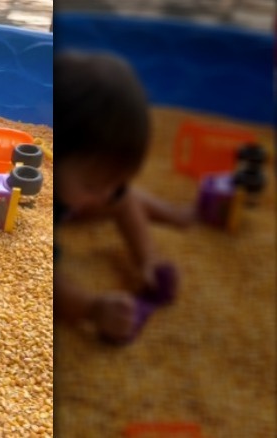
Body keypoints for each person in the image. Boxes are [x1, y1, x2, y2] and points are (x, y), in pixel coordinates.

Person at [53, 51, 194, 343]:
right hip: (63, 205)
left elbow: (123, 201)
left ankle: (173, 213)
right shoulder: (51, 202)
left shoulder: (88, 184)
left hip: (73, 201)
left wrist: (147, 259)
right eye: (94, 184)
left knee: (119, 197)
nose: (105, 195)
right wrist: (92, 308)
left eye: (115, 182)